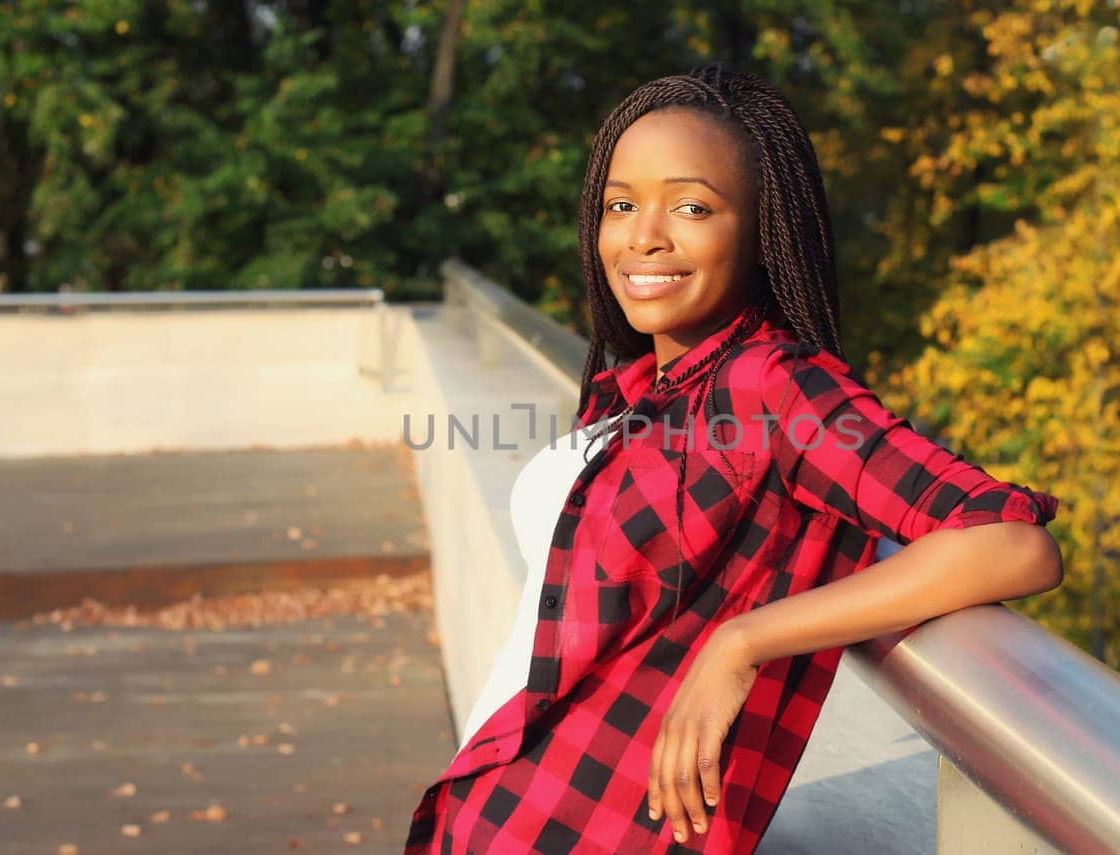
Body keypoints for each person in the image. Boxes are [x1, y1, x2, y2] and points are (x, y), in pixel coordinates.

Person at [404, 63, 1063, 854]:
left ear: (760, 230)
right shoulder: (635, 384)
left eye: (691, 206)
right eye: (621, 205)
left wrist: (744, 640)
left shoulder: (776, 386)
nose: (645, 234)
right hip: (496, 805)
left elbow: (1010, 542)